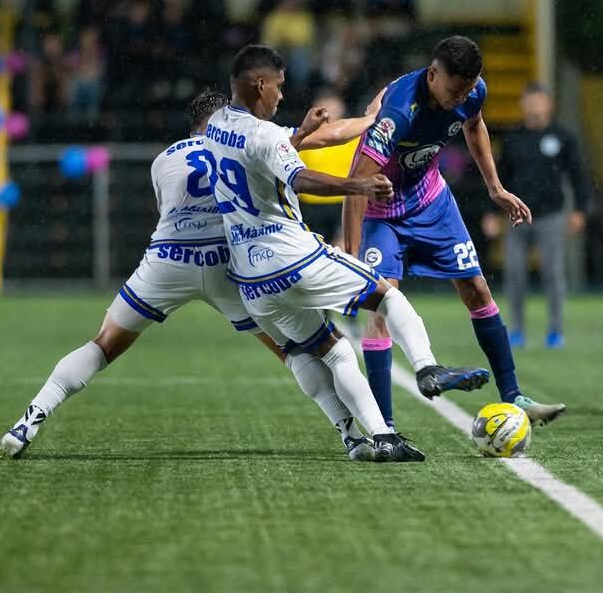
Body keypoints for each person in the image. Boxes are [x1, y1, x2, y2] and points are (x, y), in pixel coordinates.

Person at [0, 88, 388, 460]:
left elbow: (168, 210)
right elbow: (326, 136)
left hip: (168, 260)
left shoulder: (163, 159)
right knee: (292, 350)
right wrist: (371, 119)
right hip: (227, 266)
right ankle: (350, 435)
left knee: (104, 344)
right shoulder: (244, 139)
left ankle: (26, 423)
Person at [204, 44, 492, 462]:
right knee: (388, 297)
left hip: (250, 278)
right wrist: (356, 186)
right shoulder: (265, 134)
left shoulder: (217, 128)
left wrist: (313, 130)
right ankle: (428, 366)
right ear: (259, 84)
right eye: (279, 88)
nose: (281, 96)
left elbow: (275, 148)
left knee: (328, 350)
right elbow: (300, 178)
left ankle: (368, 438)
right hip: (291, 256)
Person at [342, 36, 567, 431]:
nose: (459, 97)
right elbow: (355, 183)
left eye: (467, 88)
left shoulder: (472, 91)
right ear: (432, 75)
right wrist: (351, 252)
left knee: (477, 288)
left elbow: (474, 126)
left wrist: (495, 188)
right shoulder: (398, 111)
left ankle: (514, 396)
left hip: (431, 200)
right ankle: (384, 427)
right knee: (381, 307)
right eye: (453, 89)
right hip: (382, 209)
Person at [488, 82, 590, 349]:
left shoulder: (563, 137)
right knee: (515, 274)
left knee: (553, 275)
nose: (534, 107)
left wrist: (580, 210)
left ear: (549, 104)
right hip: (517, 217)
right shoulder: (513, 138)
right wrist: (491, 213)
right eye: (529, 101)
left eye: (539, 101)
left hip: (551, 216)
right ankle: (517, 330)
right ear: (523, 105)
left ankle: (555, 331)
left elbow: (578, 175)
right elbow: (498, 179)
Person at [297, 93, 368, 247]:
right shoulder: (305, 139)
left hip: (342, 203)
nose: (328, 114)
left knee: (342, 246)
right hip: (311, 205)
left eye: (333, 109)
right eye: (323, 109)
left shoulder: (355, 138)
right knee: (312, 247)